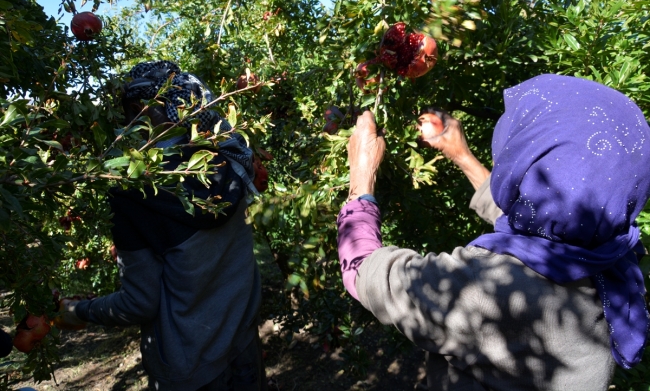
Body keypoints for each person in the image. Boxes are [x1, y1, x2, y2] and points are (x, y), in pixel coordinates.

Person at [337, 74, 650, 390]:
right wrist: (461, 155)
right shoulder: (610, 253)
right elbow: (533, 223)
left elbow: (366, 274)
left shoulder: (491, 288)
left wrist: (362, 177)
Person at [56, 61, 267, 391]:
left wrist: (77, 311)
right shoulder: (229, 160)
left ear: (141, 111)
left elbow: (140, 303)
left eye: (127, 113)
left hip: (190, 367)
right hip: (244, 345)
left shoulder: (131, 191)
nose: (124, 124)